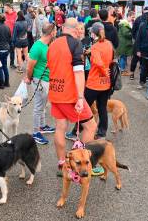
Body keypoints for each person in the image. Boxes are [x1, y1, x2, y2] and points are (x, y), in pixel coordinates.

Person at [47, 18, 97, 176]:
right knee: (91, 126)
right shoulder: (75, 44)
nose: (81, 32)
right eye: (80, 30)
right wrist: (81, 97)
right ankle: (84, 162)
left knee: (60, 128)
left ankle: (62, 165)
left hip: (55, 92)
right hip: (70, 96)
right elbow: (78, 72)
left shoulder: (53, 44)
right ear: (75, 30)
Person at [24, 22, 57, 145]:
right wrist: (29, 78)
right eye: (55, 31)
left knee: (42, 105)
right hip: (40, 80)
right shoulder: (37, 46)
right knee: (38, 107)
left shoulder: (47, 44)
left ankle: (42, 126)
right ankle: (35, 132)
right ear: (52, 32)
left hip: (46, 79)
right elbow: (29, 66)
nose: (56, 32)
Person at [130, 6, 148, 80]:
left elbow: (133, 31)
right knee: (144, 61)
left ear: (143, 11)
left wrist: (136, 39)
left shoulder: (138, 19)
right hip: (147, 43)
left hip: (138, 42)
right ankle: (145, 76)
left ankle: (132, 74)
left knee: (135, 59)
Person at [4, 3, 18, 69]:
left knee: (12, 50)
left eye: (5, 7)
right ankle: (3, 63)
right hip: (5, 36)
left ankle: (12, 63)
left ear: (9, 8)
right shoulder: (4, 15)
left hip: (13, 36)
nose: (4, 9)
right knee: (4, 50)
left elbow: (17, 25)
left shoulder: (15, 14)